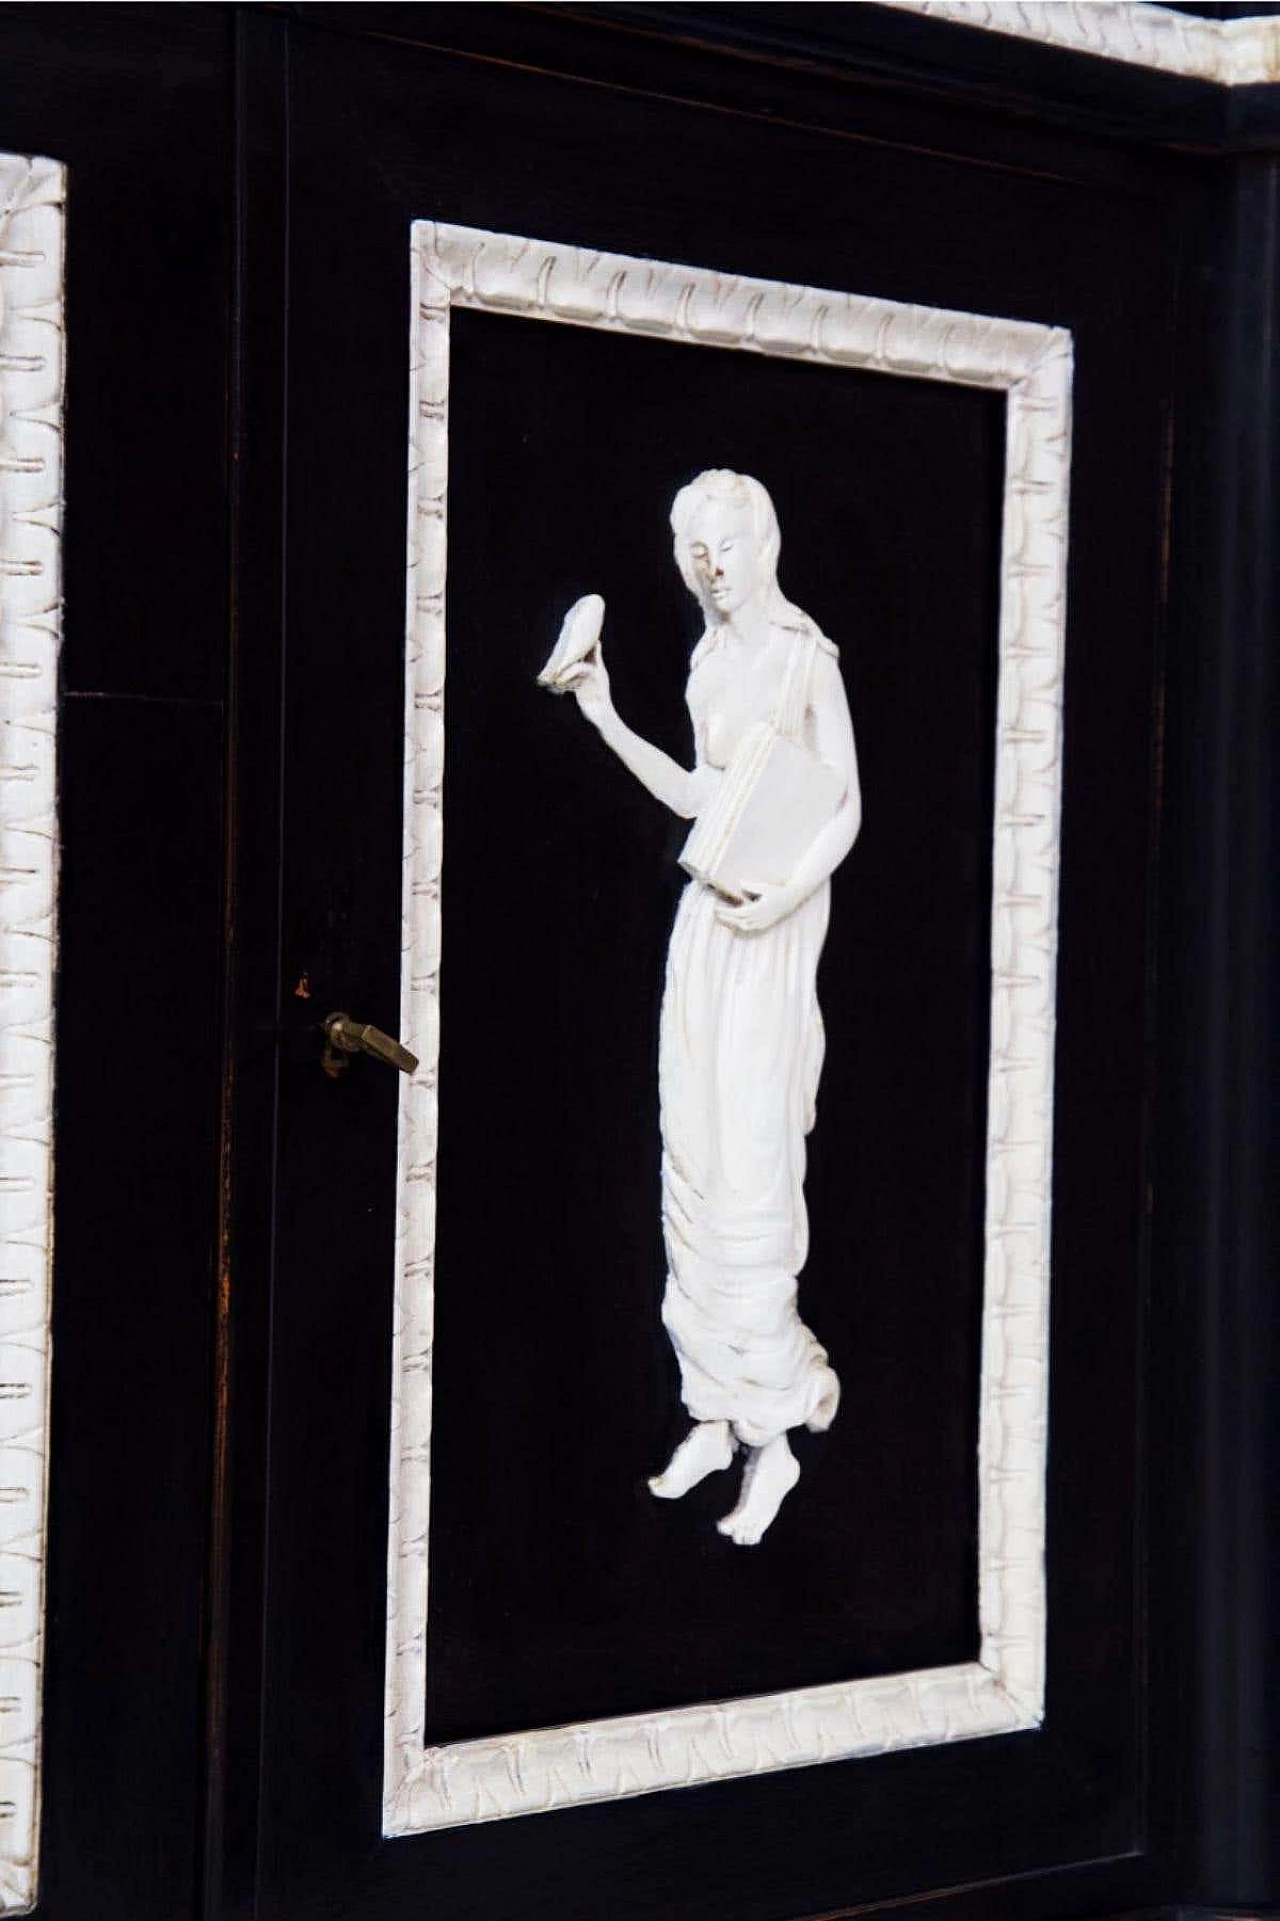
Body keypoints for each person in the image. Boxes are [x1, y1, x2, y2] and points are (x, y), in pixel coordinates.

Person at [556, 470, 862, 1545]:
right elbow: (699, 794)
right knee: (689, 1161)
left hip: (769, 934)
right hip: (705, 932)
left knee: (751, 1169)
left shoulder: (802, 659)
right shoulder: (703, 661)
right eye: (693, 549)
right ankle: (711, 1411)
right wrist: (601, 715)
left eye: (723, 544)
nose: (708, 566)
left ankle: (772, 1437)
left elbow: (844, 805)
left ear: (759, 542)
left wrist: (779, 896)